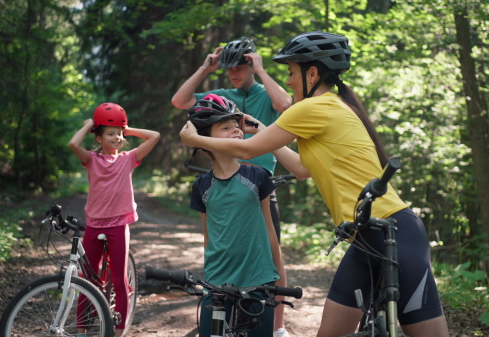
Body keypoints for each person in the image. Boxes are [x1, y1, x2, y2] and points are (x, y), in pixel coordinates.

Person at [179, 31, 450, 337]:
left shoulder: (313, 108)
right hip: (365, 237)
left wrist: (193, 138)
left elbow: (247, 151)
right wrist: (260, 129)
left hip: (394, 231)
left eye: (292, 73)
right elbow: (301, 168)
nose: (290, 81)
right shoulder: (330, 107)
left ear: (312, 73)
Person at [171, 36, 292, 336]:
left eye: (240, 67)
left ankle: (277, 325)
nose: (234, 74)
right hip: (221, 178)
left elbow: (284, 104)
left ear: (250, 65)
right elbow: (180, 101)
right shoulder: (222, 96)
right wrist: (205, 68)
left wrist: (262, 70)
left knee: (269, 245)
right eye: (229, 70)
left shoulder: (265, 93)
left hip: (259, 179)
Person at [187, 94, 285, 337]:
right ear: (205, 139)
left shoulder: (257, 176)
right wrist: (208, 282)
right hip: (217, 283)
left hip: (259, 280)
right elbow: (208, 238)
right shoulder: (201, 186)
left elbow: (270, 233)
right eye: (225, 127)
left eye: (236, 126)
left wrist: (278, 282)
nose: (236, 131)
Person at [69, 102, 160, 337]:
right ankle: (81, 330)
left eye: (120, 134)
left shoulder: (128, 159)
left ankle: (117, 332)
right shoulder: (91, 160)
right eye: (111, 134)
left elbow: (155, 136)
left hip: (119, 225)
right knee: (86, 279)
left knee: (119, 280)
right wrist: (90, 124)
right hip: (95, 224)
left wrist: (127, 129)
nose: (118, 138)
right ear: (98, 139)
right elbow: (72, 144)